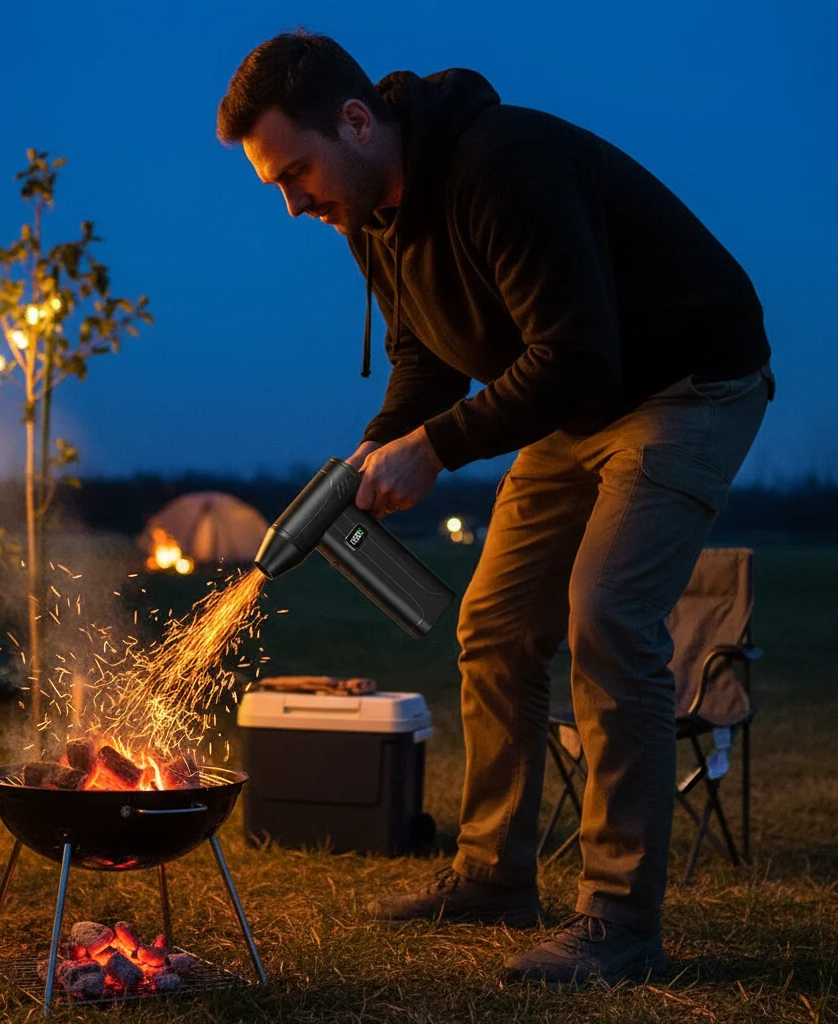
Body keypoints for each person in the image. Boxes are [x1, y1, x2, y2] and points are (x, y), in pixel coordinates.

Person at [217, 31, 773, 985]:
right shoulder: (368, 217)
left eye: (297, 170)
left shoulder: (503, 165)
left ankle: (621, 922)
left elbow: (578, 351)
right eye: (276, 182)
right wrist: (378, 444)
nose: (293, 200)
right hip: (572, 402)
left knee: (605, 615)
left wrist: (433, 449)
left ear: (356, 120)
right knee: (495, 625)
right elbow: (426, 358)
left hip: (684, 386)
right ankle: (493, 879)